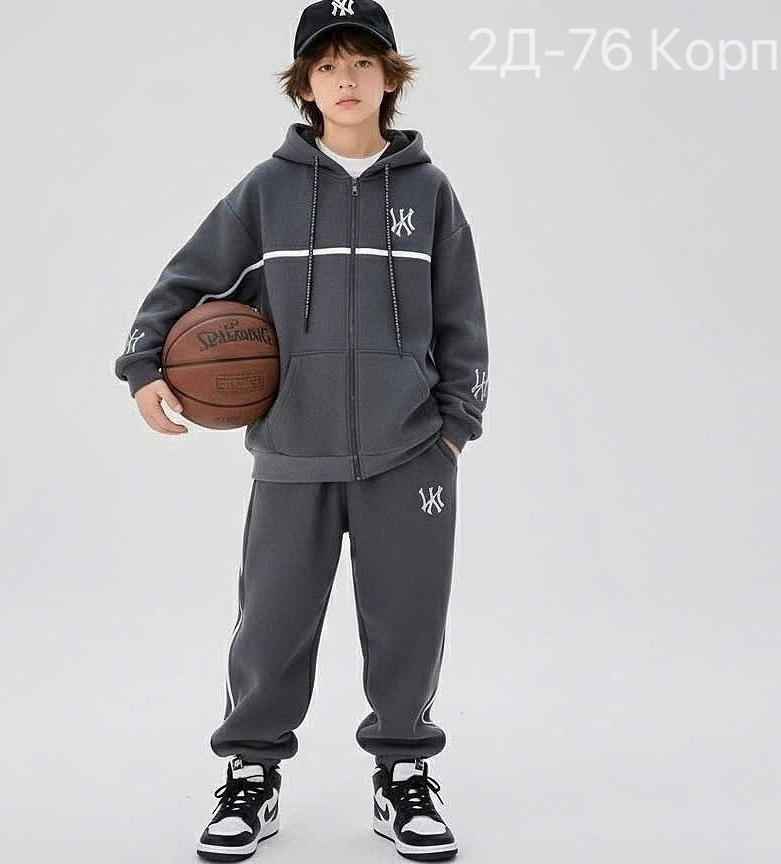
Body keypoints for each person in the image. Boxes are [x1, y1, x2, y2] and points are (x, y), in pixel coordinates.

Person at [113, 2, 488, 860]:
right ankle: (251, 775)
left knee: (408, 621)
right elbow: (182, 284)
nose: (344, 79)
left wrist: (454, 429)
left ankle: (403, 773)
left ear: (390, 78)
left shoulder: (429, 193)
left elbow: (464, 319)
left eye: (361, 63)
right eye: (326, 66)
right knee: (272, 622)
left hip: (411, 453)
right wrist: (144, 365)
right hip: (291, 452)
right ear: (304, 86)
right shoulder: (267, 190)